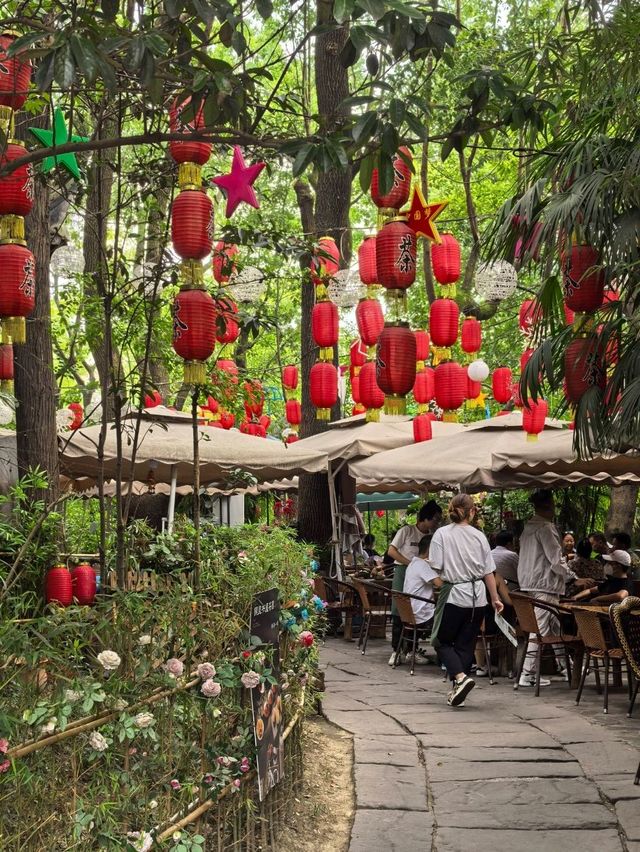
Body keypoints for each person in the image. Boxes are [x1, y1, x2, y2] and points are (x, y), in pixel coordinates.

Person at [429, 494, 503, 707]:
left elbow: (435, 568)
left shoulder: (442, 534)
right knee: (465, 644)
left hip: (454, 594)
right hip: (477, 597)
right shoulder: (479, 536)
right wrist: (495, 598)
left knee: (441, 641)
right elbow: (489, 572)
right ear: (472, 512)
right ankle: (457, 691)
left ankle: (460, 678)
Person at [517, 490, 584, 688]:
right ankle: (527, 674)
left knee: (553, 627)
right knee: (539, 630)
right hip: (545, 585)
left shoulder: (528, 527)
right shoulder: (545, 527)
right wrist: (574, 578)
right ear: (548, 506)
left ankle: (567, 668)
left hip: (532, 583)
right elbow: (556, 561)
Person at [387, 501, 443, 665]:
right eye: (435, 519)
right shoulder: (407, 530)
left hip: (422, 573)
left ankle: (412, 650)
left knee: (418, 610)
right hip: (404, 571)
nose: (436, 523)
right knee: (400, 611)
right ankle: (396, 650)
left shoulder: (433, 536)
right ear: (424, 518)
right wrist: (410, 563)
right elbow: (391, 551)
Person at [394, 534, 443, 663]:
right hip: (421, 614)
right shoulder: (423, 566)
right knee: (447, 619)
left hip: (410, 612)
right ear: (431, 550)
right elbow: (441, 584)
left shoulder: (413, 563)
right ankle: (445, 657)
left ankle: (411, 651)